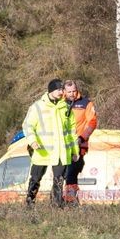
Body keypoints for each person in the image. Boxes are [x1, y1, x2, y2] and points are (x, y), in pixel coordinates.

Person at [23, 78, 79, 208]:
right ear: (51, 91)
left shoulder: (65, 106)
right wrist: (33, 141)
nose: (61, 92)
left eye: (62, 89)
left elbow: (71, 131)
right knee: (35, 179)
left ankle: (56, 206)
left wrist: (75, 151)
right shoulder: (37, 107)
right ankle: (29, 203)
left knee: (59, 180)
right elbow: (28, 126)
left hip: (61, 152)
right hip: (42, 151)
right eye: (58, 89)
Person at [63, 79, 98, 206]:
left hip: (78, 146)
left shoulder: (86, 103)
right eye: (69, 92)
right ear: (64, 92)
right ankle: (58, 202)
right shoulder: (60, 104)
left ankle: (71, 202)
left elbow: (92, 123)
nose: (72, 94)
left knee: (71, 175)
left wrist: (82, 138)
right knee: (60, 175)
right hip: (61, 146)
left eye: (74, 91)